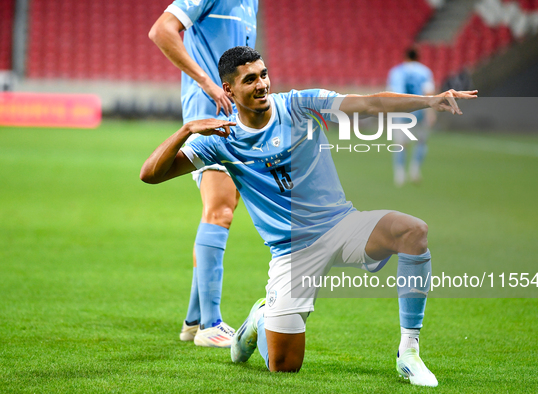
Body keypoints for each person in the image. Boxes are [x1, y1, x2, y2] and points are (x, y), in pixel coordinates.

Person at [140, 46, 477, 386]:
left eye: (263, 74)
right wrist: (187, 131)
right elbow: (150, 174)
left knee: (412, 231)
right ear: (228, 90)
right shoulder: (221, 139)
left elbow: (371, 103)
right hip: (292, 253)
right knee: (284, 366)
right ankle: (260, 316)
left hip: (342, 225)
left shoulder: (298, 104)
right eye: (249, 80)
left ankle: (409, 353)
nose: (261, 85)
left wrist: (430, 101)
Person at [148, 0, 258, 347]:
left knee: (224, 209)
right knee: (220, 208)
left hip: (236, 121)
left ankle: (194, 321)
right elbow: (161, 30)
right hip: (208, 118)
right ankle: (211, 324)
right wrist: (208, 84)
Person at [386, 48, 436, 186]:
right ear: (418, 57)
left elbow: (391, 93)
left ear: (405, 57)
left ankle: (399, 174)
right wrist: (431, 112)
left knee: (401, 144)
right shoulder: (425, 71)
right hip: (419, 110)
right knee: (421, 141)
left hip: (401, 111)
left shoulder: (396, 71)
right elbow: (429, 92)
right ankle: (415, 169)